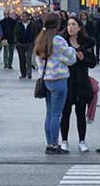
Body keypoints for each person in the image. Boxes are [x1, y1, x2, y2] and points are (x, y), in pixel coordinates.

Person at [34, 13, 76, 155]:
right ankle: (54, 144)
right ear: (58, 25)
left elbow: (37, 61)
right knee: (56, 114)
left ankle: (49, 143)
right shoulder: (58, 40)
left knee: (49, 113)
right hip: (59, 79)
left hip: (46, 79)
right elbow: (72, 58)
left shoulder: (40, 39)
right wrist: (64, 58)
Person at [60, 15, 97, 152]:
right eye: (69, 24)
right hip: (66, 81)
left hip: (81, 81)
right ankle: (64, 140)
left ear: (80, 27)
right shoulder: (62, 43)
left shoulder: (86, 44)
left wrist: (83, 59)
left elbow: (93, 62)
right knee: (66, 112)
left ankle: (82, 140)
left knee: (80, 112)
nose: (70, 27)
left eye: (74, 24)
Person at [15, 11, 40, 79]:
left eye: (25, 16)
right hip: (20, 44)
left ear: (28, 17)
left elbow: (35, 33)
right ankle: (23, 73)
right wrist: (16, 42)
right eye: (22, 16)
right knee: (21, 59)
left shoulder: (32, 24)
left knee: (28, 58)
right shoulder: (18, 24)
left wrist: (34, 41)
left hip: (29, 43)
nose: (23, 18)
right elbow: (16, 33)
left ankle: (29, 73)